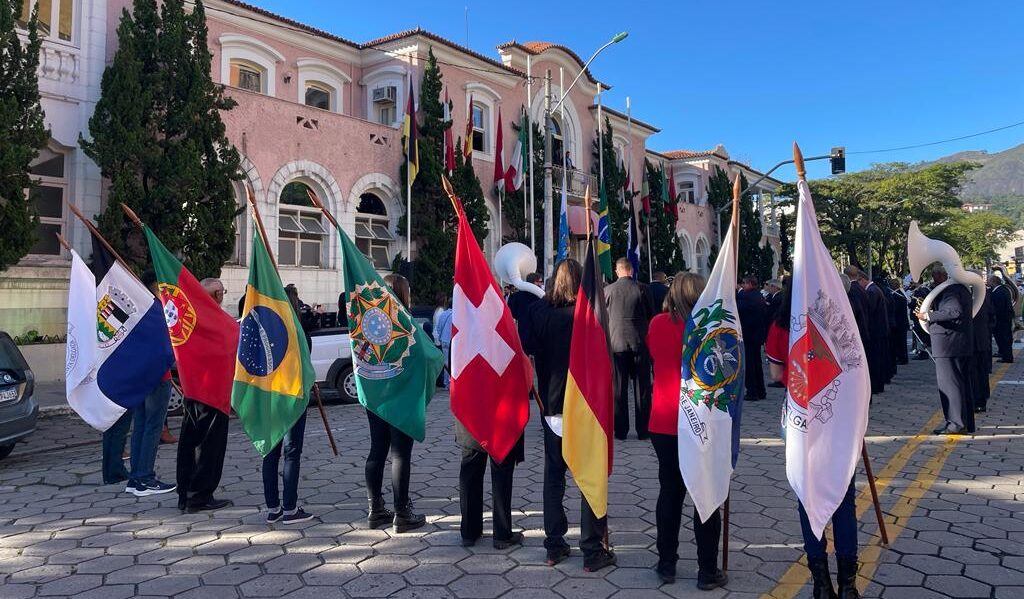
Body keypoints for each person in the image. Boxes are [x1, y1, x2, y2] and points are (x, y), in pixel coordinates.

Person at [766, 279, 860, 599]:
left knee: (808, 498)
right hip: (837, 419)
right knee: (843, 498)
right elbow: (855, 371)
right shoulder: (838, 320)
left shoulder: (780, 326)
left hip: (800, 421)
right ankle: (848, 585)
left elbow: (777, 376)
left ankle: (821, 584)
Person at [523, 259, 616, 572]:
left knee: (554, 478)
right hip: (584, 409)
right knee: (589, 475)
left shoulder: (538, 312)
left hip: (552, 406)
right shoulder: (586, 316)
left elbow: (527, 344)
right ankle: (592, 549)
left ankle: (554, 544)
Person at [646, 271, 727, 590]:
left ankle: (667, 562)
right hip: (701, 420)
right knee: (705, 494)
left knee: (670, 491)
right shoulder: (710, 329)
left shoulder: (657, 324)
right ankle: (707, 569)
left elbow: (654, 355)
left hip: (665, 421)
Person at [363, 273, 426, 533]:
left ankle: (375, 510)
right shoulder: (405, 323)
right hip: (401, 396)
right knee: (400, 453)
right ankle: (402, 512)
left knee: (377, 450)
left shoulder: (368, 322)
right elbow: (422, 355)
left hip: (376, 395)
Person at [176, 278, 233, 513]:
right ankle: (200, 495)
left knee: (188, 444)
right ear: (217, 294)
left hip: (192, 391)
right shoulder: (216, 321)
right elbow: (233, 342)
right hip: (213, 395)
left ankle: (184, 493)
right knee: (210, 448)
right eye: (222, 292)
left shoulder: (188, 319)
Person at [262, 286, 314, 525]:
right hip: (292, 398)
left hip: (268, 398)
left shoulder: (265, 330)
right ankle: (290, 508)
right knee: (292, 453)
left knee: (270, 452)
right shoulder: (298, 333)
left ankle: (273, 508)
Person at [125, 271, 177, 497]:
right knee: (153, 427)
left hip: (139, 374)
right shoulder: (157, 310)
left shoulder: (137, 309)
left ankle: (136, 477)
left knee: (141, 426)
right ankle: (145, 477)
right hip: (157, 376)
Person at [915, 265, 975, 435]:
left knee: (950, 385)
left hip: (949, 344)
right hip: (956, 344)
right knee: (961, 384)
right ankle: (965, 422)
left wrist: (927, 316)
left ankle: (955, 423)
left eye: (934, 276)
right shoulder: (959, 289)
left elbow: (953, 312)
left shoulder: (951, 290)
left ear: (940, 275)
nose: (933, 280)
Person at [604, 258, 654, 440]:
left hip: (616, 344)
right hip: (640, 342)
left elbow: (602, 317)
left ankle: (621, 430)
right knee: (642, 388)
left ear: (617, 271)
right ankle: (643, 430)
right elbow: (651, 315)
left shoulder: (608, 290)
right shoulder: (642, 289)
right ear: (631, 271)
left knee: (618, 388)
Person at [456, 420, 524, 549]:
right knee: (501, 472)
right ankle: (502, 534)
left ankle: (469, 532)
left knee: (470, 469)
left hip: (470, 413)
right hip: (501, 417)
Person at [848, 267, 890, 394]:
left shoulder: (871, 291)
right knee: (876, 359)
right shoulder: (871, 290)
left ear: (862, 279)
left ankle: (876, 385)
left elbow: (868, 311)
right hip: (878, 330)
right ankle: (878, 384)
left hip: (875, 331)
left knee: (875, 361)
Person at [736, 275, 767, 401]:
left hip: (748, 334)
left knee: (749, 364)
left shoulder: (744, 296)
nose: (742, 285)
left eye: (744, 283)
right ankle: (761, 390)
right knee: (757, 363)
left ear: (749, 283)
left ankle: (752, 391)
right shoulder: (759, 295)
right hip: (757, 334)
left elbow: (738, 310)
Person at [971, 272, 996, 413]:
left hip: (975, 340)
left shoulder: (973, 294)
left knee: (975, 372)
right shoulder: (985, 293)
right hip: (983, 338)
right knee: (982, 371)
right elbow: (992, 315)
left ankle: (978, 401)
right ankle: (982, 399)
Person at [991, 272, 1015, 363]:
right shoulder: (1003, 289)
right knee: (1002, 337)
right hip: (1005, 318)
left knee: (1003, 337)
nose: (987, 282)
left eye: (989, 281)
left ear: (993, 282)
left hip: (1002, 319)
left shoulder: (999, 292)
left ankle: (1007, 357)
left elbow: (999, 307)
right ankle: (1002, 352)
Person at [888, 278, 910, 366]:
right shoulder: (898, 294)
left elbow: (895, 308)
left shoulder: (898, 295)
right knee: (899, 341)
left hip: (900, 322)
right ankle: (901, 357)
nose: (890, 286)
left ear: (896, 285)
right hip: (900, 322)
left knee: (901, 342)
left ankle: (902, 358)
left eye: (892, 285)